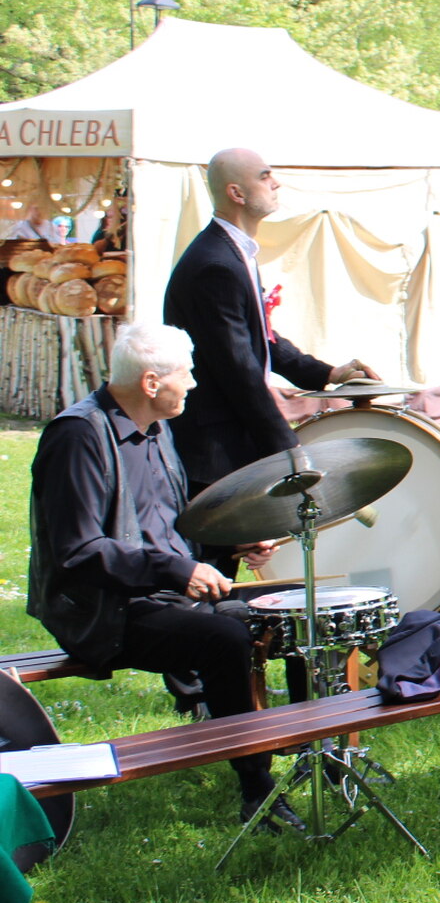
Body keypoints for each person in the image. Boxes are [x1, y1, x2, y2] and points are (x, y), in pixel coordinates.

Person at [26, 323, 298, 830]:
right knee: (223, 639)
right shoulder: (77, 436)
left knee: (297, 606)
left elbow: (164, 528)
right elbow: (78, 552)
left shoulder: (156, 427)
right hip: (103, 612)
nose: (193, 383)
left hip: (161, 596)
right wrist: (178, 570)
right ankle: (257, 788)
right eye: (186, 373)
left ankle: (310, 748)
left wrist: (228, 545)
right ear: (151, 383)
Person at [161, 148, 378, 504]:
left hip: (229, 441)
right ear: (236, 193)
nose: (276, 183)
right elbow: (239, 369)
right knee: (222, 544)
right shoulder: (216, 264)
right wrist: (289, 451)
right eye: (264, 176)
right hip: (213, 452)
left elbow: (262, 339)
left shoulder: (234, 252)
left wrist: (328, 373)